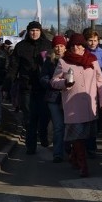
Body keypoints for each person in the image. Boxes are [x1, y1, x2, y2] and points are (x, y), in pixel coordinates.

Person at [50, 33, 102, 177]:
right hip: (72, 105)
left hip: (89, 105)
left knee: (86, 136)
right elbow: (54, 82)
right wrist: (65, 83)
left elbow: (100, 82)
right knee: (77, 137)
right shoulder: (63, 62)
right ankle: (83, 166)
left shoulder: (92, 60)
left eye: (80, 45)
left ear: (84, 46)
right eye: (74, 45)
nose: (77, 47)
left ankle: (74, 157)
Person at [6, 21, 52, 154]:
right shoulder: (21, 46)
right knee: (29, 118)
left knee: (44, 116)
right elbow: (13, 67)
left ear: (40, 31)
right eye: (32, 30)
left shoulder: (48, 45)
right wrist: (7, 85)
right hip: (27, 88)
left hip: (44, 87)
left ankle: (43, 137)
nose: (34, 33)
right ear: (28, 32)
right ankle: (30, 146)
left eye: (37, 30)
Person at [40, 35, 67, 163]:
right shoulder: (49, 61)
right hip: (53, 97)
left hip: (68, 97)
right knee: (58, 126)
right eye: (56, 46)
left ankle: (69, 150)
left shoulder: (69, 60)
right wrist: (51, 83)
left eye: (61, 46)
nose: (59, 48)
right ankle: (57, 153)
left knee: (68, 125)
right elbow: (43, 77)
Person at [83, 28, 102, 157]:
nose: (93, 43)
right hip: (87, 87)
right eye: (90, 40)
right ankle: (86, 144)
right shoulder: (83, 52)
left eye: (95, 40)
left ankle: (92, 144)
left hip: (99, 85)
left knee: (95, 116)